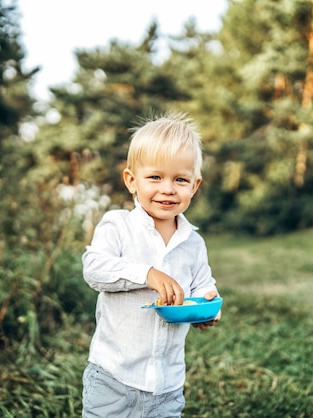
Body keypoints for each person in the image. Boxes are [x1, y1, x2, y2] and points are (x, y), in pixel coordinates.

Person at [81, 112, 221, 417]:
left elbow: (203, 286)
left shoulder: (193, 243)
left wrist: (207, 306)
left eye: (180, 179)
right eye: (155, 177)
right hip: (113, 379)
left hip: (167, 384)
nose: (168, 188)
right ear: (132, 180)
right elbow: (94, 268)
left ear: (194, 186)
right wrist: (146, 274)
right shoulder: (117, 226)